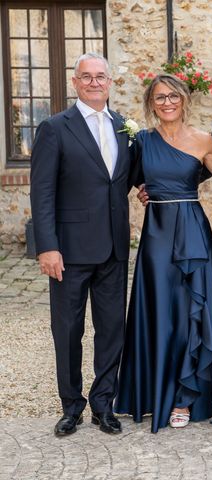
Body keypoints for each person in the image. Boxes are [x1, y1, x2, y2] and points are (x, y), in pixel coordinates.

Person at [114, 74, 212, 432]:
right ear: (151, 103)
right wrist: (145, 189)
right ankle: (152, 392)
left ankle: (184, 396)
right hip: (157, 234)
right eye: (159, 97)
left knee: (190, 313)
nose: (167, 102)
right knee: (159, 311)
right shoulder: (141, 141)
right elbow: (126, 178)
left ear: (184, 100)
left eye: (173, 96)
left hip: (192, 230)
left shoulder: (205, 141)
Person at [30, 52, 132, 436]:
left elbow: (127, 177)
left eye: (100, 76)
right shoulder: (56, 127)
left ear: (109, 83)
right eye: (86, 77)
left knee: (111, 330)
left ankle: (103, 404)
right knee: (68, 330)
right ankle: (71, 406)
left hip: (113, 249)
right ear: (75, 83)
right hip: (68, 251)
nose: (94, 83)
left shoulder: (124, 127)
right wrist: (47, 246)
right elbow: (41, 192)